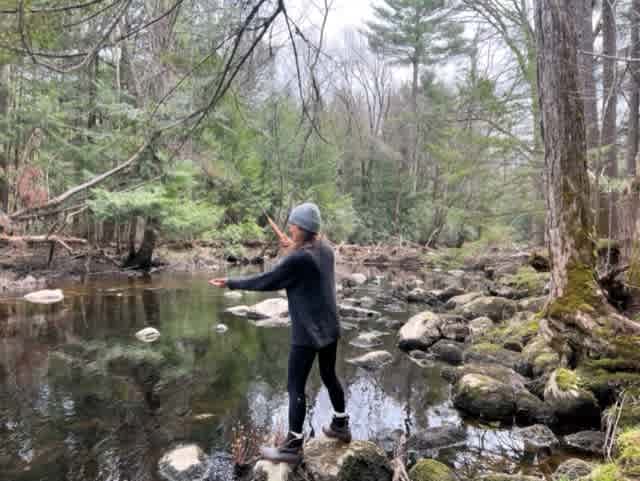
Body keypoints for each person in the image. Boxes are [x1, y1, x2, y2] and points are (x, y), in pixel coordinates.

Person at [209, 202, 351, 465]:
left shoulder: (298, 258)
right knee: (329, 375)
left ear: (301, 229)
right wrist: (293, 246)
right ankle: (341, 424)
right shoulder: (325, 249)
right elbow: (306, 263)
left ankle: (293, 446)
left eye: (293, 226)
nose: (290, 228)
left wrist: (230, 281)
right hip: (330, 327)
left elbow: (267, 280)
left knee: (295, 386)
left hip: (307, 332)